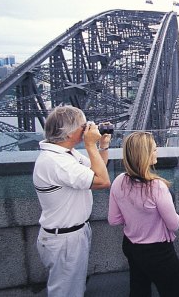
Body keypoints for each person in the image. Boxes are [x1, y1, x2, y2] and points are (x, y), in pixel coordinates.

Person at [33, 106, 111, 297]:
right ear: (69, 133)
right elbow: (102, 181)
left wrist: (103, 146)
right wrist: (90, 145)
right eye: (83, 126)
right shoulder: (57, 162)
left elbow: (96, 170)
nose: (86, 130)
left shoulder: (64, 154)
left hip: (71, 234)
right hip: (65, 239)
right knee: (66, 293)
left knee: (73, 289)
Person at [108, 132, 179, 297]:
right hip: (158, 252)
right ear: (144, 155)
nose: (156, 152)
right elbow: (174, 224)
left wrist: (135, 217)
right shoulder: (157, 187)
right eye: (154, 149)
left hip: (131, 247)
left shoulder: (118, 181)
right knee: (175, 292)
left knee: (139, 289)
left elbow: (114, 220)